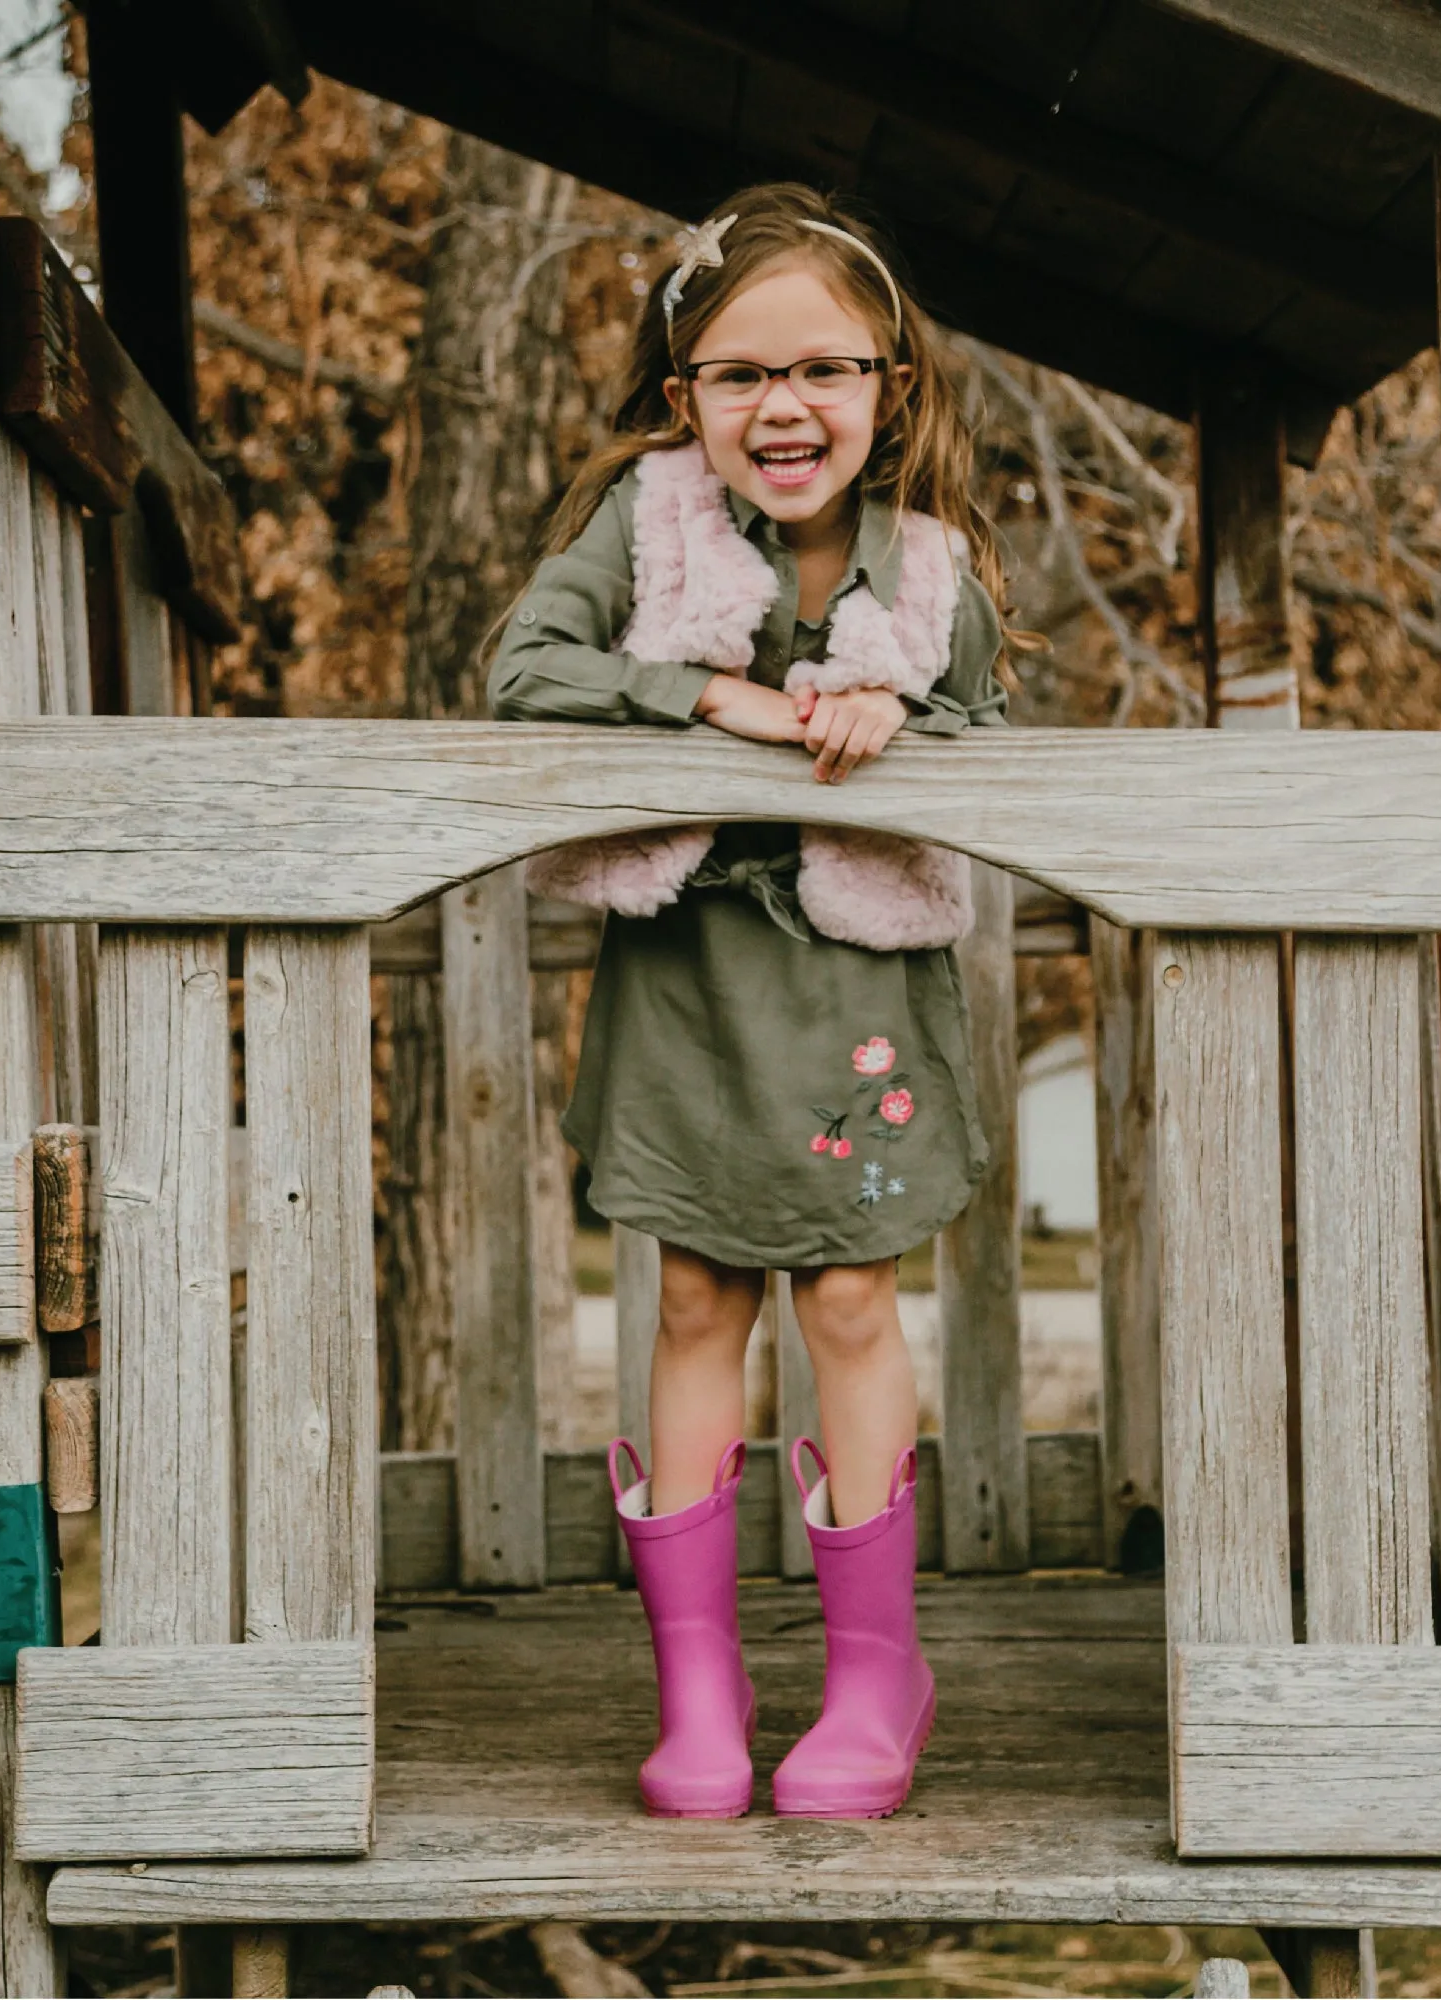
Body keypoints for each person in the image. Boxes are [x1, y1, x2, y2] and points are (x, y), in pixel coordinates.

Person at [487, 184, 1011, 1821]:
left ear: (889, 388)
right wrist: (721, 699)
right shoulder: (639, 529)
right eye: (738, 375)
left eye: (826, 372)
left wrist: (891, 714)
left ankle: (876, 1681)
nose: (784, 408)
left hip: (855, 978)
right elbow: (525, 671)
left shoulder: (929, 567)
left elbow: (991, 740)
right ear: (682, 399)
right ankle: (699, 1695)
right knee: (698, 1303)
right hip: (689, 969)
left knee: (852, 1305)